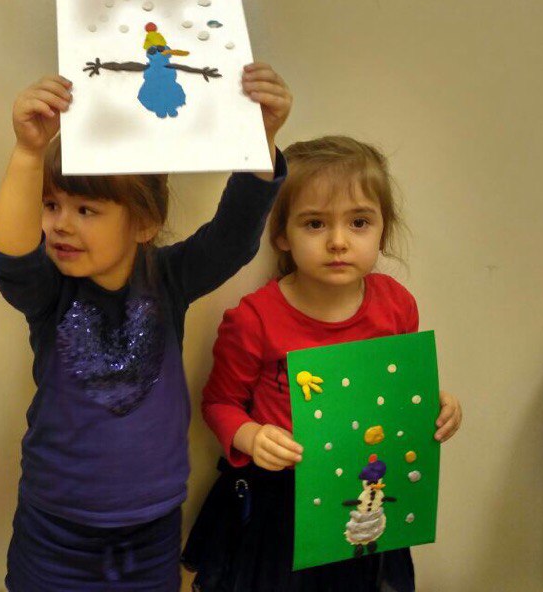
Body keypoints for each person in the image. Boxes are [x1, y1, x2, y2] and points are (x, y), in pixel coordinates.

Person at [0, 64, 292, 590]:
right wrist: (29, 153)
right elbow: (11, 260)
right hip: (55, 529)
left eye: (86, 209)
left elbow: (233, 238)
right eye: (51, 205)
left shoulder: (168, 278)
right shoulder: (50, 290)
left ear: (145, 223)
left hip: (151, 531)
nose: (60, 224)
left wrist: (259, 139)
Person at [184, 135, 463, 591]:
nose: (337, 242)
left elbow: (398, 395)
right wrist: (251, 436)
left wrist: (435, 404)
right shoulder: (255, 319)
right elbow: (219, 403)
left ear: (382, 230)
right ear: (282, 235)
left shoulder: (396, 306)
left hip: (366, 493)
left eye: (359, 222)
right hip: (280, 504)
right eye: (315, 224)